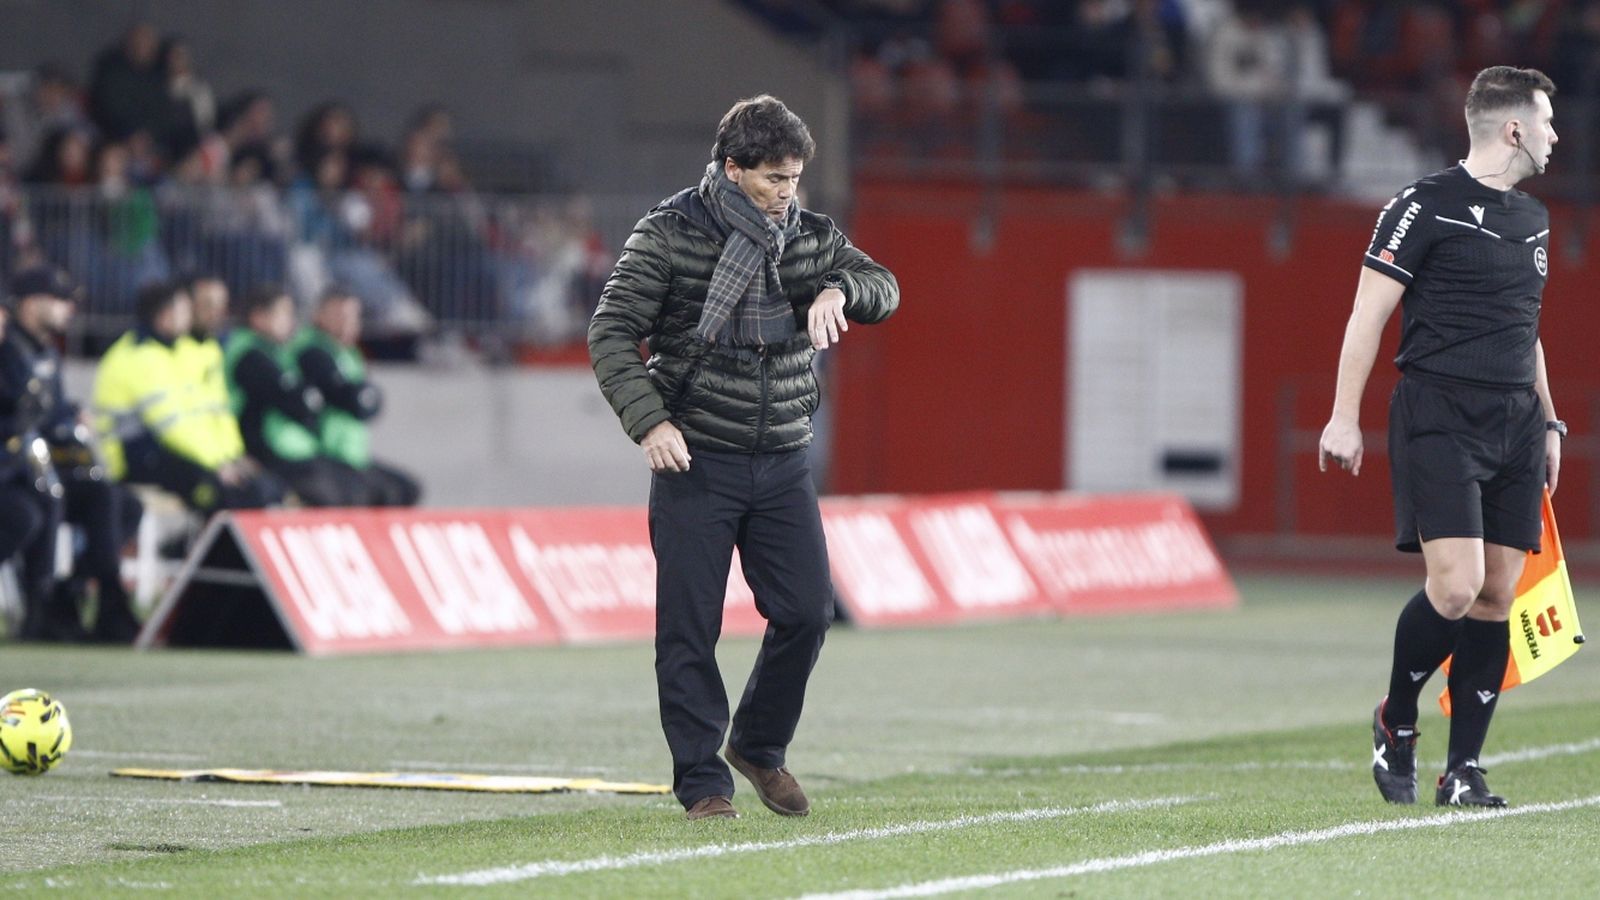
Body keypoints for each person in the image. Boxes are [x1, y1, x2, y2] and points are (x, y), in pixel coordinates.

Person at [588, 95, 899, 821]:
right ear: (732, 170)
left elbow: (885, 286)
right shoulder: (667, 234)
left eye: (794, 179)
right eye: (772, 180)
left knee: (807, 614)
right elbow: (610, 334)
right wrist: (650, 423)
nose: (787, 193)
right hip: (696, 458)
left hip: (784, 459)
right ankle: (702, 782)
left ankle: (758, 744)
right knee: (689, 628)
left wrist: (837, 286)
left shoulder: (811, 237)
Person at [1318, 67, 1561, 809]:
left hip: (1516, 420)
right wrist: (1341, 415)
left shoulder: (1533, 219)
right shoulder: (1420, 206)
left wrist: (1548, 418)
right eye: (1547, 122)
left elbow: (1528, 329)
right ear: (1514, 128)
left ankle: (1464, 771)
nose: (1557, 135)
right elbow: (1367, 315)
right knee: (1453, 589)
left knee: (1496, 595)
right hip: (1440, 412)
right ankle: (1397, 720)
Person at [2, 266, 143, 641]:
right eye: (60, 300)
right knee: (43, 502)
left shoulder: (46, 350)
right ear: (31, 304)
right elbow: (22, 410)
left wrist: (69, 415)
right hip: (19, 467)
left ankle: (78, 591)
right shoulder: (10, 347)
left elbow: (51, 409)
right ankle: (42, 605)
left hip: (44, 462)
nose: (69, 309)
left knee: (121, 503)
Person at [94, 281, 284, 513]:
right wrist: (217, 464)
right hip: (131, 455)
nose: (190, 317)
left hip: (162, 450)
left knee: (259, 487)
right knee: (221, 492)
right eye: (184, 311)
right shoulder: (140, 356)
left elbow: (202, 415)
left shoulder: (171, 351)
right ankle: (204, 547)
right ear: (164, 316)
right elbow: (172, 426)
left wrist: (232, 457)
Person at [224, 285, 358, 506]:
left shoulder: (275, 352)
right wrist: (306, 398)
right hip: (267, 453)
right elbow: (294, 400)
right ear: (258, 317)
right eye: (284, 313)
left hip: (299, 450)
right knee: (333, 494)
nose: (291, 320)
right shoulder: (249, 355)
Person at [290, 288, 421, 506]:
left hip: (353, 454)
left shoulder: (349, 354)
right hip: (326, 452)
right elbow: (351, 399)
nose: (348, 323)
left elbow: (366, 403)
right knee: (361, 494)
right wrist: (361, 398)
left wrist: (362, 398)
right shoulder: (311, 350)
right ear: (319, 316)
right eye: (340, 316)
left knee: (405, 489)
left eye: (353, 316)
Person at [0, 292, 74, 640]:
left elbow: (32, 408)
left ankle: (40, 607)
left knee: (40, 505)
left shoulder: (14, 355)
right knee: (24, 514)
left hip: (10, 468)